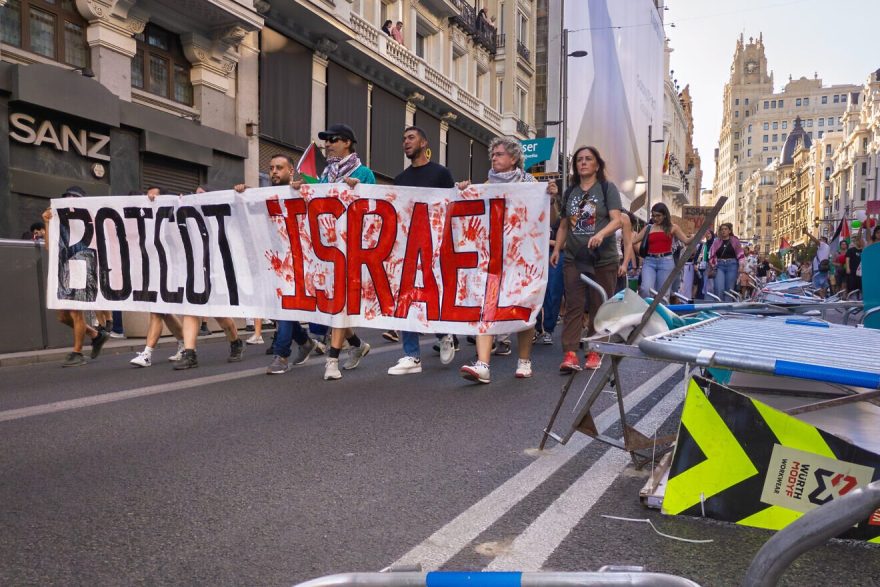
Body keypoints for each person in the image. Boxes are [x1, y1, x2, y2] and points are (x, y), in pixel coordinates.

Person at [456, 137, 558, 384]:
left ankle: (524, 361)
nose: (494, 158)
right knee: (485, 304)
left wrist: (552, 199)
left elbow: (551, 219)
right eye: (493, 155)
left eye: (499, 154)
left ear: (513, 159)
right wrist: (464, 191)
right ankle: (483, 364)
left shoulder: (530, 183)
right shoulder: (486, 185)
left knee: (523, 305)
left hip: (523, 256)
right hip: (492, 256)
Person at [297, 123, 375, 381]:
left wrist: (358, 191)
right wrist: (300, 190)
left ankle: (332, 361)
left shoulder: (364, 173)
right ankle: (357, 345)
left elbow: (375, 210)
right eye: (326, 140)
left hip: (351, 251)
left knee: (339, 305)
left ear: (347, 143)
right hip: (326, 250)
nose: (328, 144)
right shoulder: (325, 176)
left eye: (333, 140)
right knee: (332, 306)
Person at [235, 154, 319, 375]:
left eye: (279, 168)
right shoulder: (263, 196)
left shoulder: (300, 192)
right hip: (270, 263)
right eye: (271, 167)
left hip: (296, 262)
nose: (274, 171)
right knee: (274, 309)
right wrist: (245, 193)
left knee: (285, 309)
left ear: (291, 171)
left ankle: (281, 355)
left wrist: (303, 191)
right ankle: (305, 342)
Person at [387, 127, 457, 376]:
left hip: (434, 245)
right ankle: (411, 355)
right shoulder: (400, 179)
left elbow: (452, 206)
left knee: (430, 295)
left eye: (411, 138)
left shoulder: (440, 173)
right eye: (403, 139)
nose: (406, 142)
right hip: (408, 247)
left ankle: (444, 333)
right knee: (406, 296)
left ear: (424, 142)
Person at [550, 146, 622, 372]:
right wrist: (557, 249)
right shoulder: (571, 192)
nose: (583, 162)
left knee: (599, 305)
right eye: (579, 159)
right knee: (574, 305)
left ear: (597, 165)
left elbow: (617, 220)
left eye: (588, 159)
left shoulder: (607, 188)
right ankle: (570, 353)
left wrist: (601, 234)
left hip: (603, 258)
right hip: (574, 258)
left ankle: (594, 350)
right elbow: (563, 225)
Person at [40, 186, 110, 367]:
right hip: (63, 269)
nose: (69, 200)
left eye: (74, 197)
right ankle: (96, 335)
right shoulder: (59, 220)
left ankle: (77, 352)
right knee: (62, 316)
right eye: (67, 197)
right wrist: (47, 222)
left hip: (80, 265)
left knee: (75, 311)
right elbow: (49, 247)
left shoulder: (88, 219)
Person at [631, 203, 691, 300]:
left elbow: (686, 241)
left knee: (662, 294)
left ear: (665, 215)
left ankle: (660, 310)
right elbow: (633, 241)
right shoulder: (649, 228)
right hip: (649, 261)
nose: (655, 218)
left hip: (666, 261)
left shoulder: (673, 227)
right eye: (653, 216)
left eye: (658, 215)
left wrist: (696, 236)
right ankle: (647, 309)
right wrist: (640, 252)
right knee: (645, 289)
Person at [708, 222, 745, 302]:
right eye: (722, 229)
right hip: (719, 266)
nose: (723, 231)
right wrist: (713, 264)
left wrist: (741, 265)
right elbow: (711, 254)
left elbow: (740, 254)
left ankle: (727, 307)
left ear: (729, 231)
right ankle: (719, 307)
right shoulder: (716, 241)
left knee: (729, 289)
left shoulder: (735, 241)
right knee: (719, 288)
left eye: (725, 229)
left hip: (732, 265)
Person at [805, 232, 831, 296]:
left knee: (817, 285)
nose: (819, 240)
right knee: (823, 284)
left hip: (819, 269)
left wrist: (807, 233)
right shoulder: (825, 248)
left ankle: (822, 298)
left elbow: (815, 240)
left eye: (820, 239)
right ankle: (824, 297)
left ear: (824, 240)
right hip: (822, 268)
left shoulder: (823, 245)